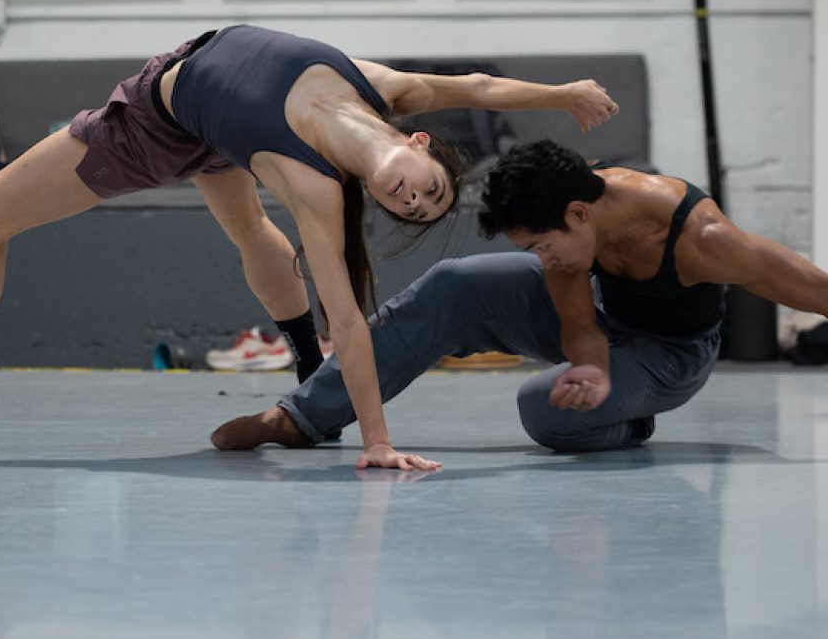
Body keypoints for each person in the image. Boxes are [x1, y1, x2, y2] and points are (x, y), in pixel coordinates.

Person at [0, 29, 617, 469]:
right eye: (428, 187)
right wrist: (565, 92)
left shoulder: (316, 190)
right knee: (249, 232)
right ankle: (301, 360)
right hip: (200, 108)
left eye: (418, 209)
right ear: (415, 142)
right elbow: (480, 87)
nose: (414, 198)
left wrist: (379, 443)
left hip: (155, 129)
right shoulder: (383, 86)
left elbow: (353, 320)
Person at [212, 138, 828, 459]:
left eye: (542, 245)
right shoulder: (570, 217)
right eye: (530, 248)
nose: (542, 258)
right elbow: (576, 319)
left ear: (579, 213)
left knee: (547, 410)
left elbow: (813, 288)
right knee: (457, 284)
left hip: (670, 354)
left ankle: (625, 418)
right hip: (604, 325)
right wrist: (590, 365)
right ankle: (300, 418)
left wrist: (599, 384)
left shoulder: (701, 237)